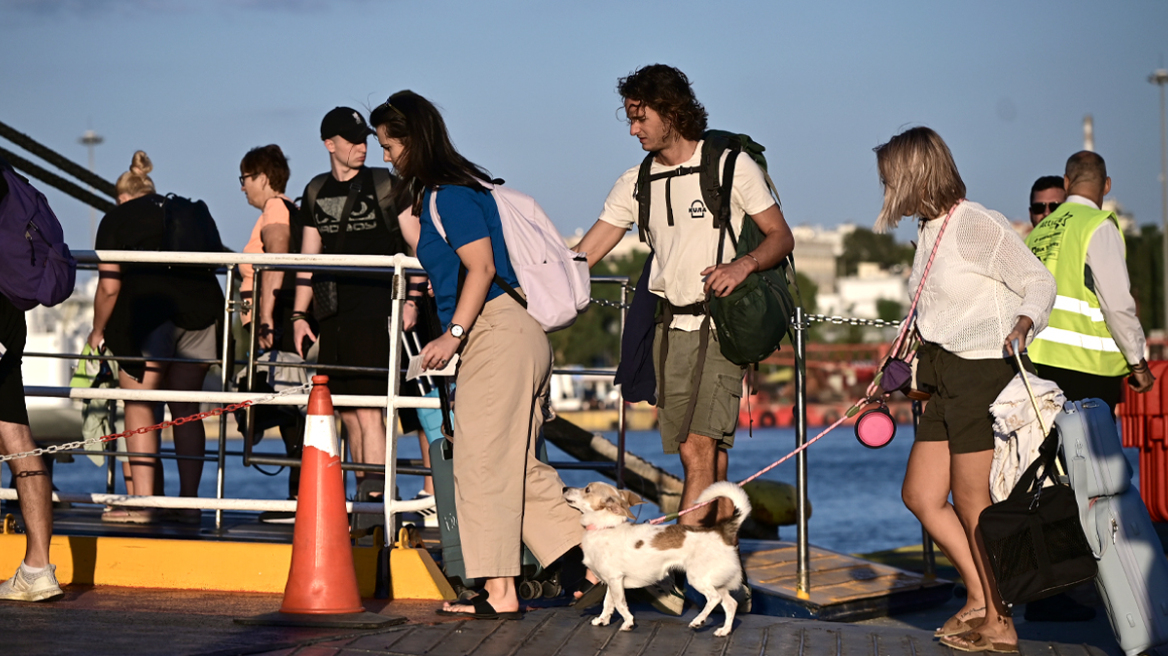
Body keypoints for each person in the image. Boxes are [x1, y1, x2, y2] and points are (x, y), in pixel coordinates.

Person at [370, 90, 584, 618]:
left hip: (495, 330)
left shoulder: (449, 195)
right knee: (518, 466)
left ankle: (499, 591)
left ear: (412, 141)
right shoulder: (452, 191)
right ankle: (591, 564)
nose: (386, 157)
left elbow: (482, 268)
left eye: (389, 145)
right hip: (514, 332)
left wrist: (453, 334)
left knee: (480, 462)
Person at [573, 64, 794, 528]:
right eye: (630, 118)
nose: (633, 129)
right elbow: (583, 255)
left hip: (720, 326)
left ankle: (682, 557)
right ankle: (725, 553)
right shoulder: (636, 182)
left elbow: (780, 236)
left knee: (697, 449)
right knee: (706, 453)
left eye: (640, 117)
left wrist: (743, 264)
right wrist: (519, 284)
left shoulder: (730, 166)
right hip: (668, 328)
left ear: (672, 112)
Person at [874, 127, 1056, 653]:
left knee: (974, 502)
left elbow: (1039, 281)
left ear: (915, 175)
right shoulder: (930, 228)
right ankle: (980, 598)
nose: (886, 188)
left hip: (982, 374)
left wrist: (1024, 324)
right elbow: (932, 310)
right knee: (921, 495)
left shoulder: (977, 224)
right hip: (941, 375)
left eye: (890, 178)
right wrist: (895, 362)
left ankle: (1001, 623)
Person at [87, 151, 224, 524]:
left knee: (139, 403)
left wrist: (98, 331)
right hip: (201, 311)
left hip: (148, 316)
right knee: (186, 410)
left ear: (122, 197)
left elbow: (109, 287)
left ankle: (144, 503)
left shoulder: (116, 218)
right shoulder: (181, 210)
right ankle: (189, 505)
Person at [290, 108, 413, 491]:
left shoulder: (385, 184)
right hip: (333, 314)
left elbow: (416, 244)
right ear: (329, 144)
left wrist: (411, 299)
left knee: (370, 410)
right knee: (346, 411)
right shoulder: (315, 190)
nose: (363, 147)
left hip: (377, 310)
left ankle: (376, 496)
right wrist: (298, 315)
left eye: (365, 140)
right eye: (353, 140)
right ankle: (364, 495)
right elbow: (308, 259)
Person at [1026, 151, 1154, 412]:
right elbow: (1116, 305)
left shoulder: (1037, 233)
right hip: (1089, 368)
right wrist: (1138, 363)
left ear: (1066, 182)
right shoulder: (1097, 225)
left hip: (1038, 365)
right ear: (1107, 185)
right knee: (1091, 440)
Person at [0, 159, 64, 602]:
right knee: (16, 436)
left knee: (16, 438)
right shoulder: (11, 178)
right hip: (9, 314)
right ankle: (37, 570)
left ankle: (38, 570)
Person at [238, 145, 306, 506]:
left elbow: (277, 258)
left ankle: (299, 496)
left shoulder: (276, 209)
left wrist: (264, 317)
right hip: (277, 318)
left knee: (288, 406)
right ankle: (298, 493)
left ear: (263, 178)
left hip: (275, 321)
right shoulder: (287, 208)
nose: (243, 187)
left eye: (245, 178)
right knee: (287, 406)